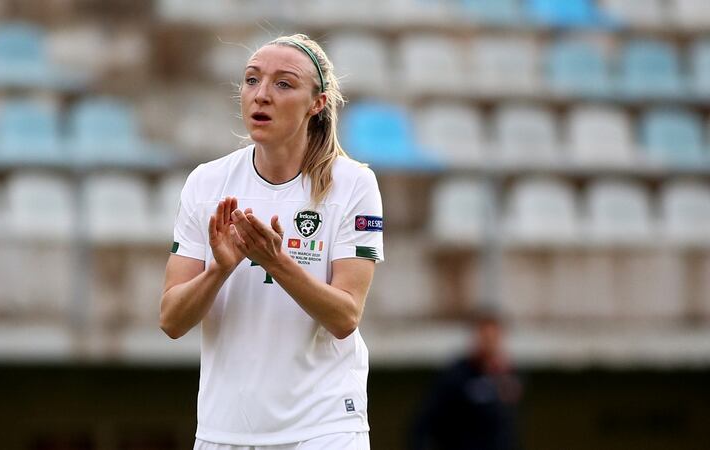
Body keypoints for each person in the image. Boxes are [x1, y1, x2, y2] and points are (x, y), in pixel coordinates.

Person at [159, 34, 384, 450]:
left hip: (325, 425)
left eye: (283, 83)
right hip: (223, 429)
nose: (261, 95)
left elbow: (344, 317)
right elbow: (172, 320)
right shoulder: (206, 182)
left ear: (317, 103)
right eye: (251, 80)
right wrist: (221, 269)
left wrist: (275, 262)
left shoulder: (354, 184)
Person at [409, 310, 523, 450]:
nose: (490, 345)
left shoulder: (510, 376)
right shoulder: (456, 376)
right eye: (486, 338)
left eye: (494, 339)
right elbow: (423, 424)